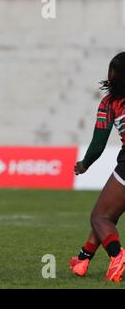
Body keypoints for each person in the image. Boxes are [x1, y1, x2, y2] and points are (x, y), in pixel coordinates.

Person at [69, 52, 125, 282]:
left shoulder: (110, 103)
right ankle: (83, 259)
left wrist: (84, 165)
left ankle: (117, 255)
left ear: (113, 74)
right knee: (108, 215)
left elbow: (98, 145)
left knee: (100, 216)